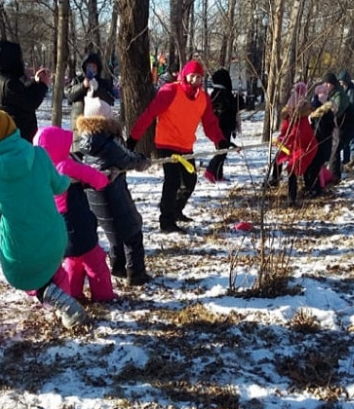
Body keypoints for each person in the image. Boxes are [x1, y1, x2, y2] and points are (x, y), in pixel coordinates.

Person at [0, 105, 87, 328]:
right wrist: (66, 177)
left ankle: (57, 301)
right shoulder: (38, 153)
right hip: (54, 234)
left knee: (22, 276)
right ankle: (65, 312)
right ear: (11, 127)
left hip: (22, 244)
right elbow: (59, 185)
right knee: (55, 270)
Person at [129, 59, 225, 233]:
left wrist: (220, 140)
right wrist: (133, 139)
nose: (195, 80)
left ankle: (175, 210)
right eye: (192, 76)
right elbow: (149, 114)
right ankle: (166, 221)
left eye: (198, 77)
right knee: (172, 181)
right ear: (185, 76)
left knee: (190, 181)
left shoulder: (202, 98)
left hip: (186, 146)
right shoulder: (170, 91)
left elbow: (210, 123)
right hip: (166, 143)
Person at [77, 88, 153, 286]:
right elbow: (127, 159)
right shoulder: (109, 143)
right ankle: (136, 274)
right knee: (132, 230)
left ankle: (118, 267)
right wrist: (143, 160)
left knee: (114, 232)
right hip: (113, 193)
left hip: (95, 197)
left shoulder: (84, 143)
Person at [34, 126, 115, 301]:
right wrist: (105, 178)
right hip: (77, 223)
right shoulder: (65, 166)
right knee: (96, 262)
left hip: (60, 227)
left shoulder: (44, 170)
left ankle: (73, 294)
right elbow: (96, 178)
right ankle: (104, 296)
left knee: (74, 260)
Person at [0, 40, 50, 142]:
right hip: (18, 137)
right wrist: (43, 85)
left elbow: (20, 94)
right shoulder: (8, 83)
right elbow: (30, 103)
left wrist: (35, 82)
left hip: (6, 134)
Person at [274, 82, 318, 206]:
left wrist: (286, 139)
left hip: (302, 147)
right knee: (279, 158)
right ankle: (274, 180)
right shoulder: (289, 115)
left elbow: (301, 135)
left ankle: (293, 198)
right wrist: (282, 140)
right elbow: (285, 130)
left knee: (293, 169)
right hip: (291, 146)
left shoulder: (303, 117)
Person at [204, 68, 242, 182]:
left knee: (222, 150)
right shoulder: (223, 94)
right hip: (223, 126)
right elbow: (226, 109)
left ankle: (218, 174)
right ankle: (210, 170)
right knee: (222, 151)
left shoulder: (216, 93)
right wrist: (237, 102)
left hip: (223, 125)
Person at [65, 52, 115, 126]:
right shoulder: (77, 80)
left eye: (93, 66)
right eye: (89, 66)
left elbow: (111, 100)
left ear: (98, 68)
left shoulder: (104, 83)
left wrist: (98, 89)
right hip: (79, 123)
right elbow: (69, 95)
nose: (91, 69)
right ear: (84, 67)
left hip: (99, 123)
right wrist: (83, 86)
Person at [320, 72, 350, 182]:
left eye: (328, 84)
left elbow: (336, 111)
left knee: (335, 150)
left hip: (341, 126)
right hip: (333, 126)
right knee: (331, 150)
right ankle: (330, 175)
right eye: (325, 83)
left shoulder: (339, 95)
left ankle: (335, 176)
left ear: (333, 84)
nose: (326, 86)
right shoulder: (330, 94)